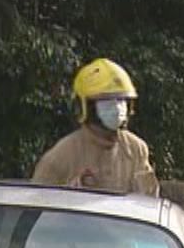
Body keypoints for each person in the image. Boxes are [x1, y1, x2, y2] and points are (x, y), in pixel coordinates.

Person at [31, 58, 159, 195]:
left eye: (121, 100)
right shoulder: (61, 156)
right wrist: (69, 193)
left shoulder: (136, 149)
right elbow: (35, 204)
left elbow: (149, 201)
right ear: (88, 107)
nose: (116, 108)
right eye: (107, 102)